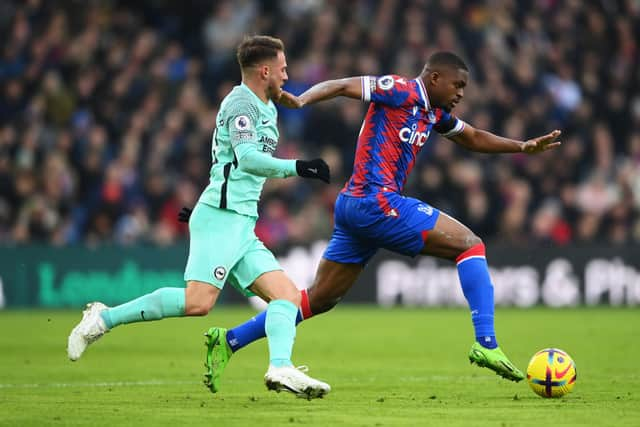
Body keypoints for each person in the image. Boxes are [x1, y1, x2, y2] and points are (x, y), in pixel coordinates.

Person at [185, 51, 562, 393]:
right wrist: (301, 100)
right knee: (470, 245)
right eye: (457, 84)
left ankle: (229, 340)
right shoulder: (399, 89)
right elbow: (343, 85)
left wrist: (523, 146)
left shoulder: (434, 113)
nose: (461, 93)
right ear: (434, 79)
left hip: (356, 208)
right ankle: (487, 343)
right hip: (374, 201)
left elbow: (473, 137)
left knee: (318, 299)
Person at [67, 35, 333, 399]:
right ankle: (102, 318)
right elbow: (247, 159)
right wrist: (298, 166)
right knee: (199, 302)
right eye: (283, 70)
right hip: (222, 217)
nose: (288, 76)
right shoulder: (241, 104)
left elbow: (256, 131)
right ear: (265, 70)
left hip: (239, 223)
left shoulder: (267, 101)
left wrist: (291, 99)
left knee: (287, 296)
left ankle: (281, 367)